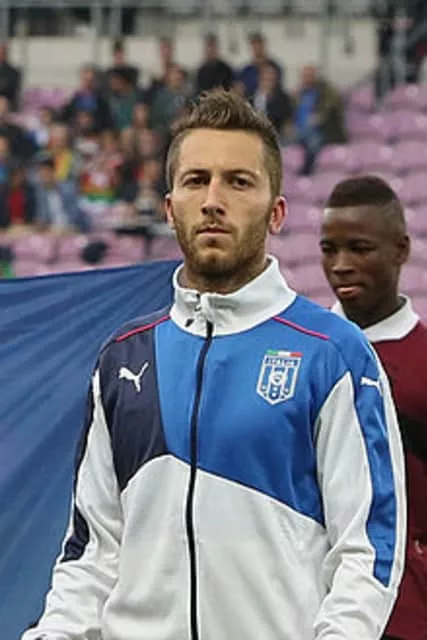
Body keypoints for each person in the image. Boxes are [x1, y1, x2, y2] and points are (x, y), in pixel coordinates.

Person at [22, 90, 406, 640]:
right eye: (196, 180)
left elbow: (368, 548)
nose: (212, 200)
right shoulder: (123, 358)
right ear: (168, 207)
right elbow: (93, 553)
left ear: (276, 213)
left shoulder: (335, 354)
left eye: (238, 182)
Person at [320, 175, 427, 640]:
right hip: (305, 605)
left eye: (359, 249)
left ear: (401, 250)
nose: (341, 265)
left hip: (406, 612)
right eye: (329, 250)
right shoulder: (301, 353)